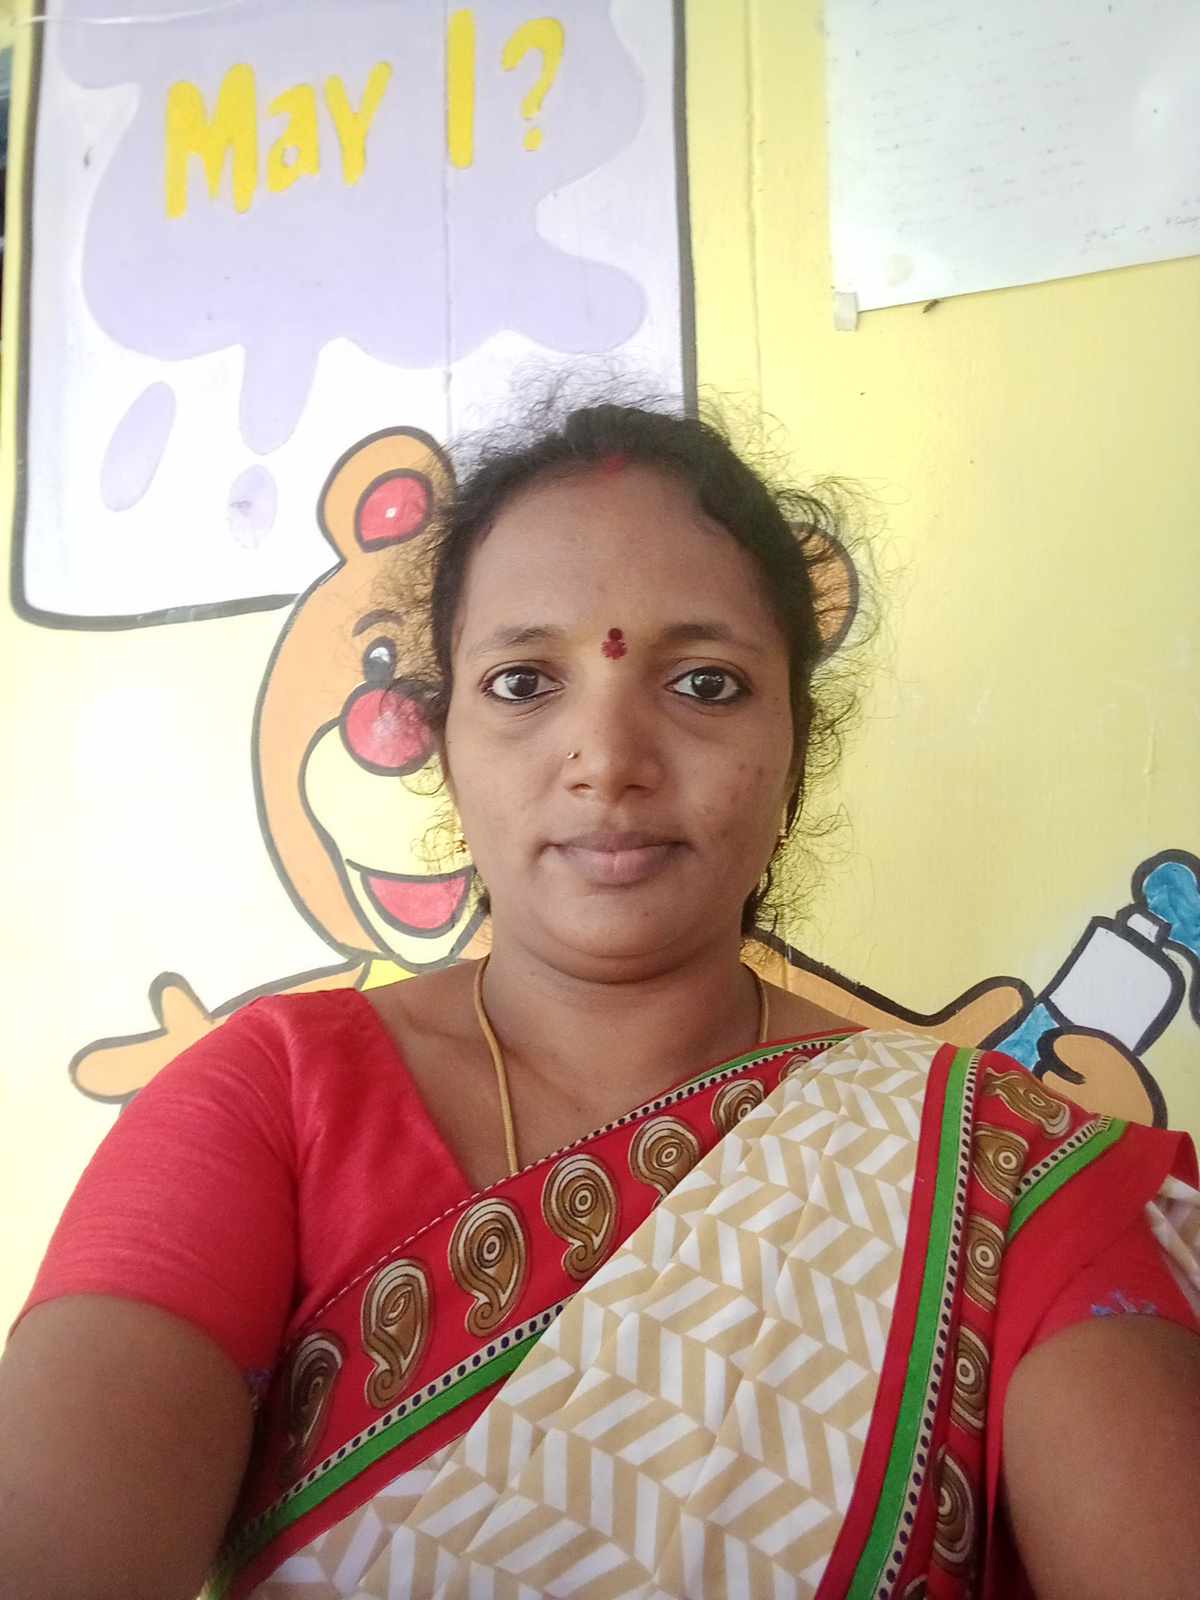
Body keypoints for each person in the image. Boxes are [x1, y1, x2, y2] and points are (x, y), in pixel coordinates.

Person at [2, 401, 1198, 1600]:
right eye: (524, 681)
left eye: (707, 683)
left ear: (795, 743)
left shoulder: (999, 1173)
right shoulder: (268, 1104)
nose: (609, 758)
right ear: (443, 745)